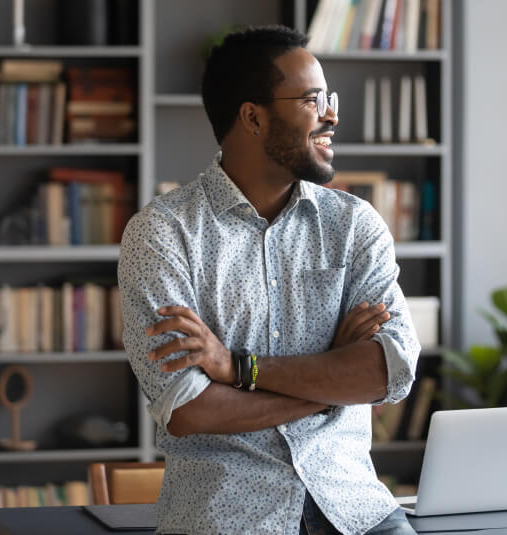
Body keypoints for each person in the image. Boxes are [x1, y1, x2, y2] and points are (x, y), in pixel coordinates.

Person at [118, 25, 421, 535]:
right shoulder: (161, 234)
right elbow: (190, 408)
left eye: (330, 98)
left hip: (354, 509)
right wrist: (331, 384)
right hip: (226, 518)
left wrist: (236, 366)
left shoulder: (354, 224)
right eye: (312, 99)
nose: (332, 114)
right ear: (253, 117)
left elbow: (387, 372)